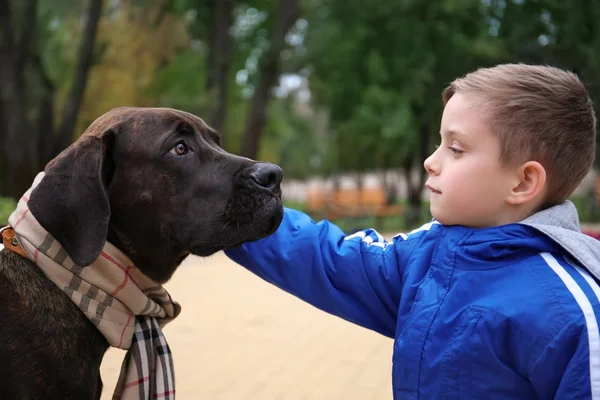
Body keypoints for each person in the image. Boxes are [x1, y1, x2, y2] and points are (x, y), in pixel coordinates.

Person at [225, 64, 600, 399]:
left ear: (522, 182)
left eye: (455, 148)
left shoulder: (572, 313)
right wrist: (229, 206)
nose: (430, 161)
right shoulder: (426, 260)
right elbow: (327, 258)